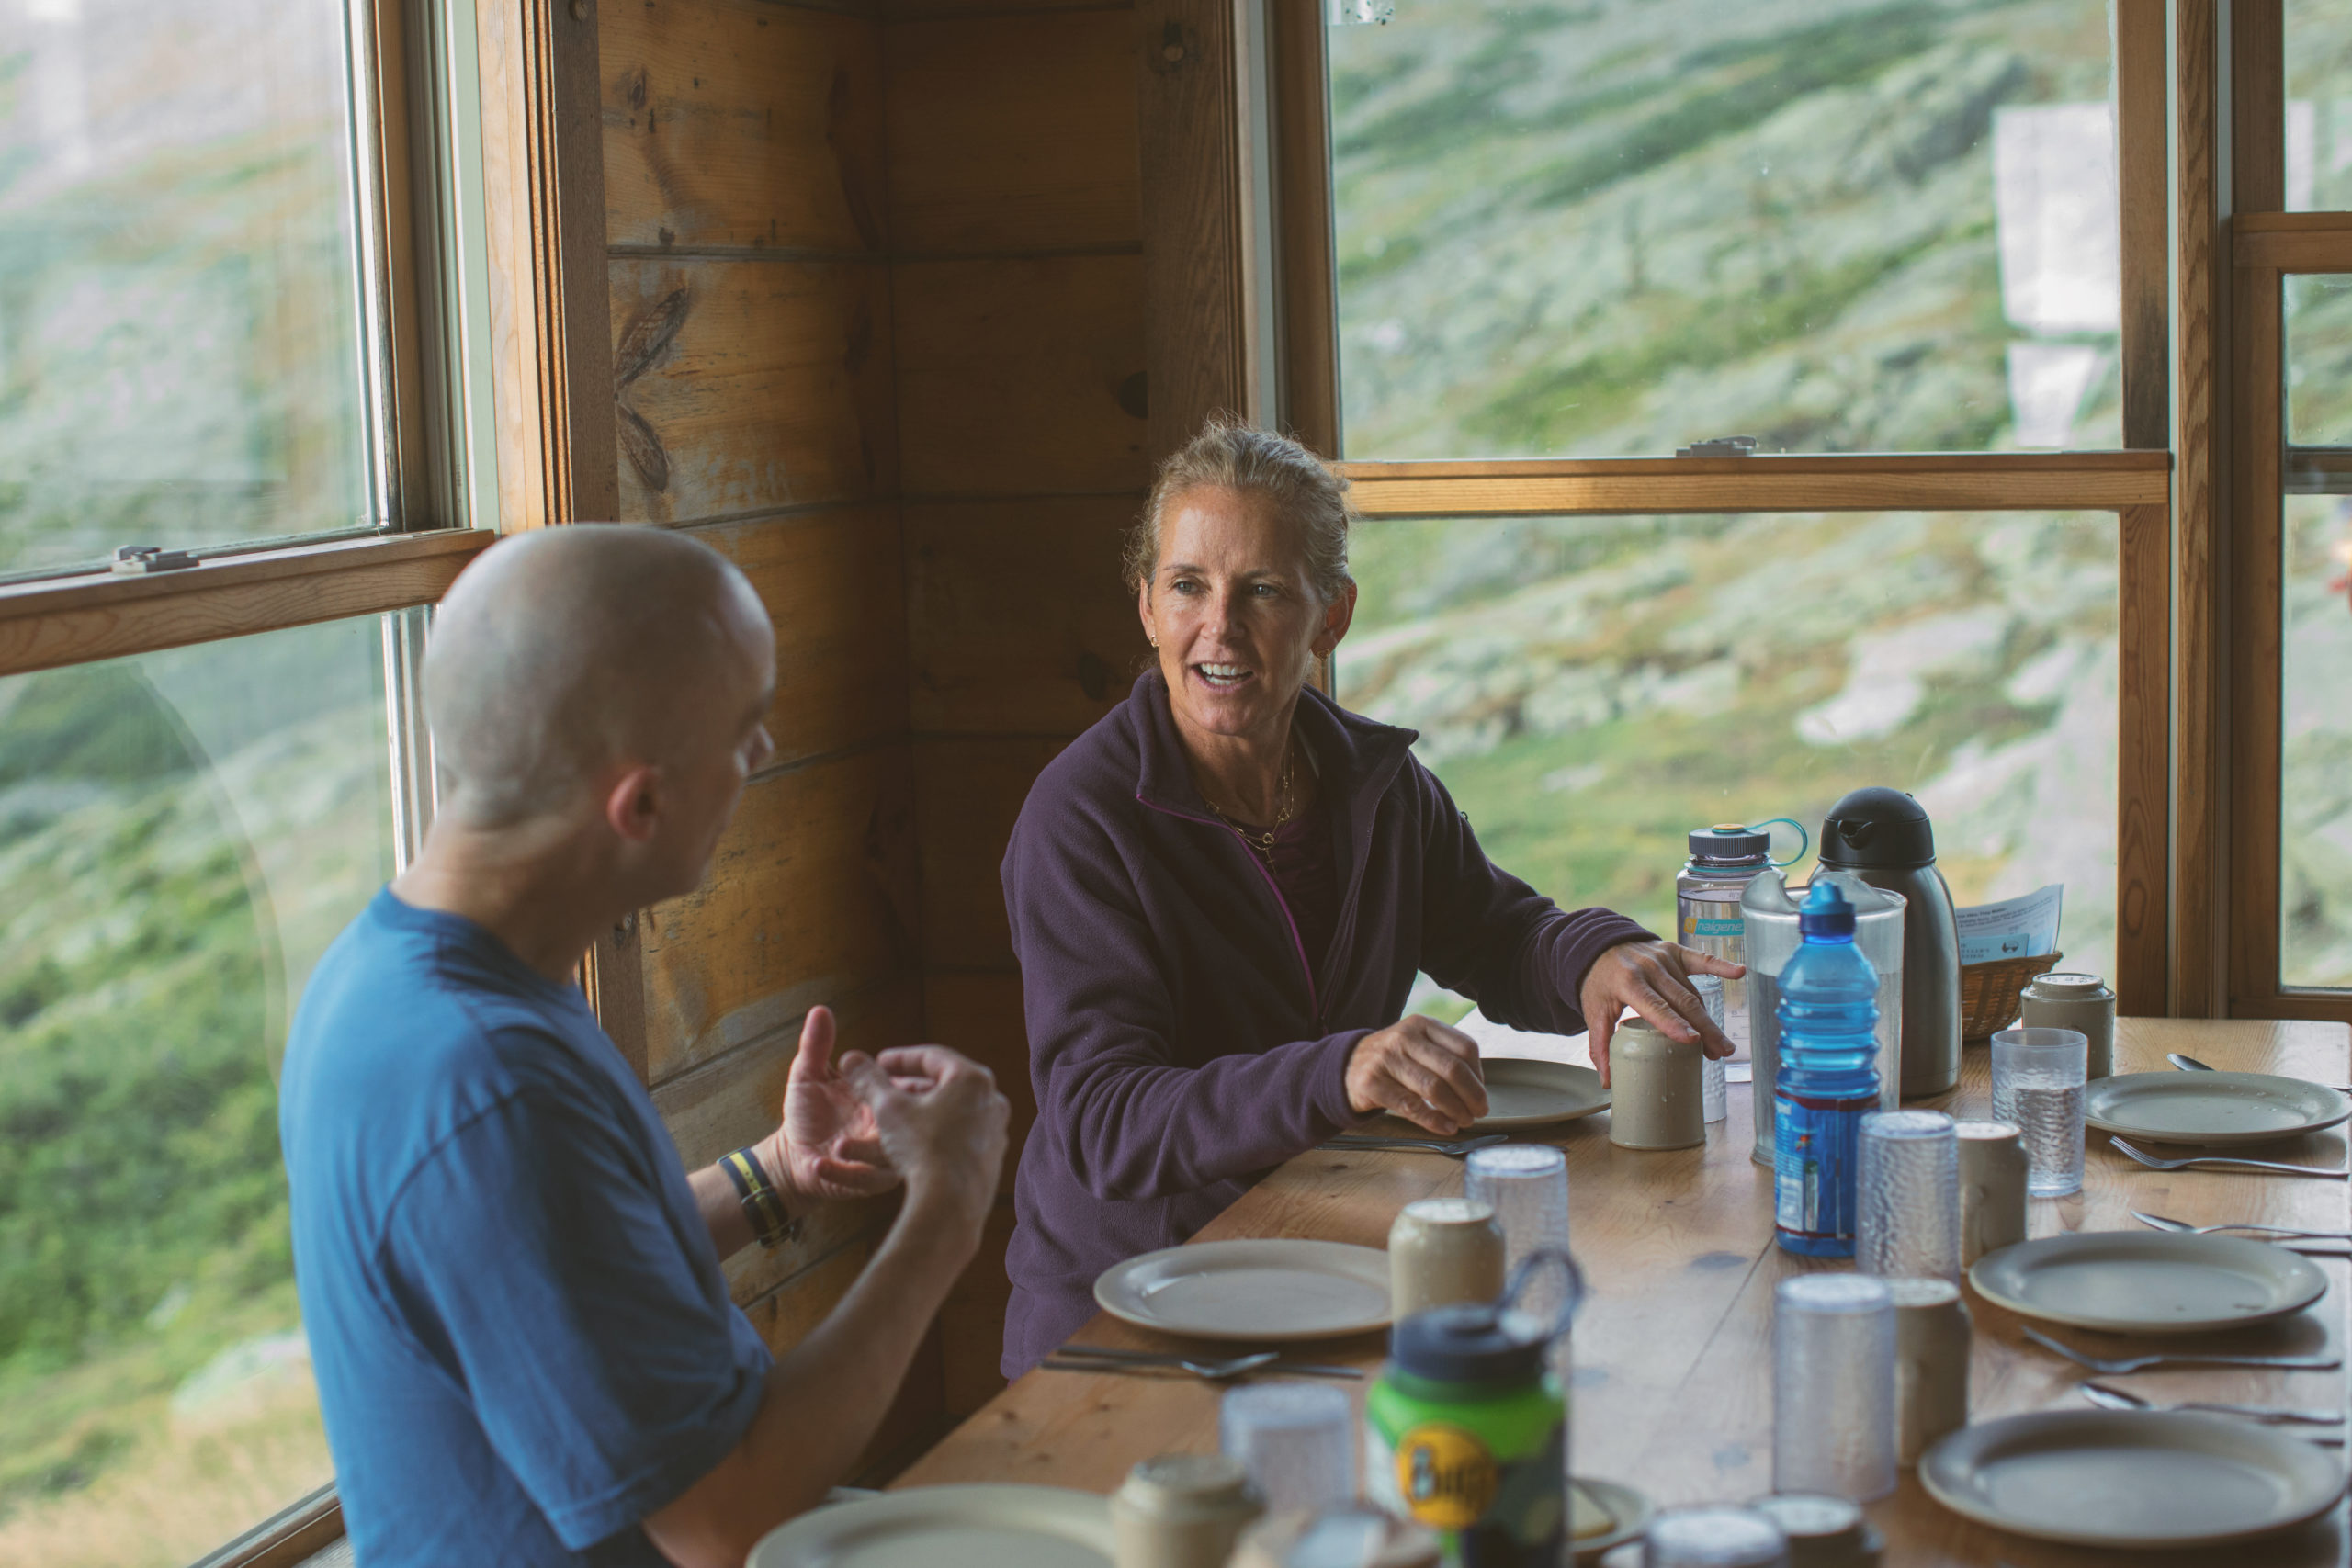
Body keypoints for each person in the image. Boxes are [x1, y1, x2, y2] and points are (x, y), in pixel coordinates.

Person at [279, 525, 1009, 1568]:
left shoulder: (393, 972)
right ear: (642, 802)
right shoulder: (486, 1083)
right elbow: (722, 1518)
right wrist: (948, 1211)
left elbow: (561, 1273)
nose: (760, 756)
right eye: (745, 729)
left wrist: (778, 1176)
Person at [998, 420, 1740, 1374]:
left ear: (1330, 615)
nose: (1217, 626)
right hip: (1133, 1316)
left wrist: (1595, 953)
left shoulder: (1373, 783)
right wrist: (1338, 1072)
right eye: (1187, 585)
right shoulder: (1081, 815)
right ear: (1146, 605)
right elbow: (1105, 1122)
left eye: (1260, 590)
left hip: (1320, 1266)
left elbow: (1499, 936)